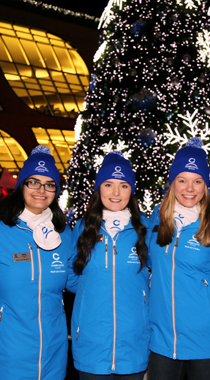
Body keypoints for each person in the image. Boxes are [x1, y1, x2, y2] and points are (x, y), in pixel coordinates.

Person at [0, 145, 72, 380]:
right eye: (33, 182)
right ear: (21, 186)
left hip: (54, 352)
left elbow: (78, 279)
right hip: (8, 352)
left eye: (49, 184)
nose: (41, 190)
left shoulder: (64, 234)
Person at [147, 138, 210, 380]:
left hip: (206, 340)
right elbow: (149, 262)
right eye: (182, 180)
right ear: (172, 184)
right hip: (161, 340)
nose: (189, 189)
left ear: (205, 185)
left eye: (197, 181)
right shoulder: (156, 219)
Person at [68, 151, 150, 379]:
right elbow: (72, 279)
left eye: (124, 185)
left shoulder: (144, 228)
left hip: (133, 344)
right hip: (91, 345)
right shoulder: (83, 229)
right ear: (98, 189)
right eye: (108, 184)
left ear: (131, 190)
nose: (116, 193)